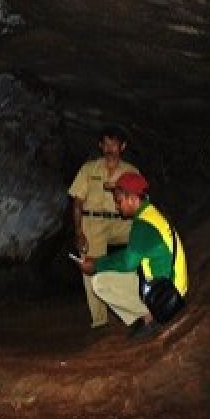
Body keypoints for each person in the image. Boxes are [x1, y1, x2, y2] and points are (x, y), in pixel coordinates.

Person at [78, 172, 187, 341]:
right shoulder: (150, 215)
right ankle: (147, 316)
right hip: (171, 287)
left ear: (133, 199)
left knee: (100, 282)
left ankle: (150, 318)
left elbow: (128, 262)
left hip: (166, 297)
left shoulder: (143, 225)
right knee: (122, 268)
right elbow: (132, 254)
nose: (116, 206)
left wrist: (96, 265)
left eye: (119, 200)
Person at [67, 126, 139, 328]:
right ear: (100, 146)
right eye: (105, 144)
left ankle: (138, 303)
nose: (109, 148)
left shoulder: (131, 171)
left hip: (122, 220)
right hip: (94, 221)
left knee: (142, 247)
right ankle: (100, 320)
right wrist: (79, 231)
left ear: (122, 147)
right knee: (88, 262)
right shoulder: (89, 169)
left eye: (113, 144)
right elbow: (78, 202)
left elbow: (139, 198)